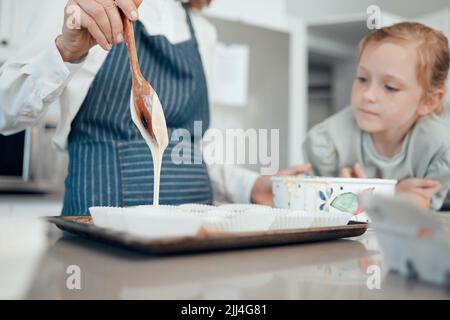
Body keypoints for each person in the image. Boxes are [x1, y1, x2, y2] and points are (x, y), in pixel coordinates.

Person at [0, 0, 310, 215]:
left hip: (191, 241)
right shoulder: (82, 7)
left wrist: (250, 186)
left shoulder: (202, 31)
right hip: (101, 240)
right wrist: (65, 50)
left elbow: (187, 151)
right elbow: (5, 112)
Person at [303, 22, 450, 210]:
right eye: (362, 79)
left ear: (428, 101)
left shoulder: (440, 148)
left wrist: (367, 194)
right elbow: (311, 202)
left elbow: (419, 209)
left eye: (390, 87)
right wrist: (392, 194)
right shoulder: (328, 139)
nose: (368, 95)